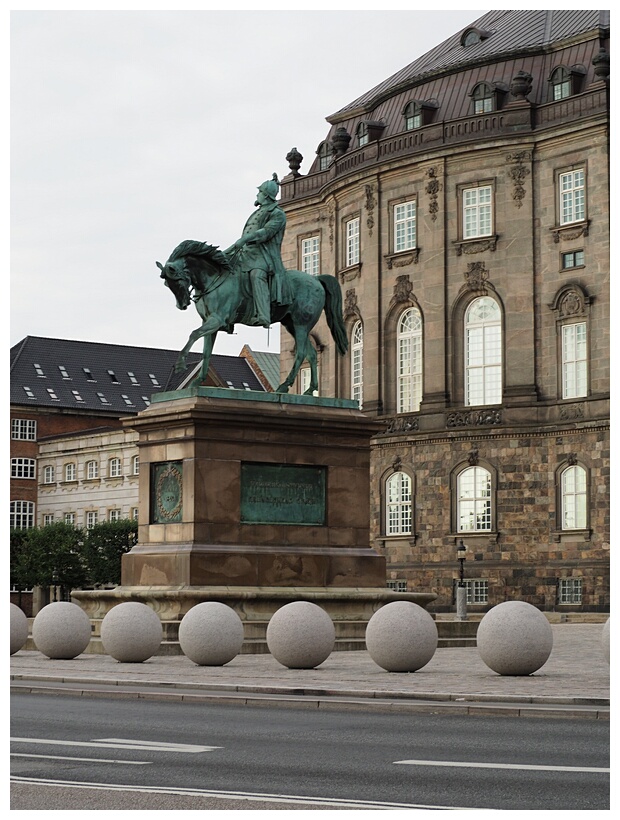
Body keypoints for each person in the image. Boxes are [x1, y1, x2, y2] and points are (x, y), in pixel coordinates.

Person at [224, 174, 291, 327]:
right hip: (246, 253)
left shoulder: (277, 214)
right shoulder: (259, 211)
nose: (257, 195)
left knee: (257, 274)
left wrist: (246, 239)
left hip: (264, 255)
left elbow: (266, 232)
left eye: (259, 192)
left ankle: (263, 315)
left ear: (266, 195)